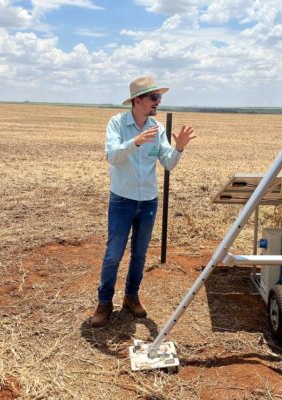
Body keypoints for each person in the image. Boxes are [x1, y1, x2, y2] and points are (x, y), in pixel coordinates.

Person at [91, 75, 196, 327]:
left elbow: (168, 162)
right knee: (113, 255)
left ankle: (131, 297)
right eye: (154, 97)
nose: (158, 101)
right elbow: (112, 156)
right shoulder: (117, 123)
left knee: (139, 254)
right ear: (138, 100)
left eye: (159, 97)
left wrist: (179, 148)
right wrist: (135, 142)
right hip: (122, 201)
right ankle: (104, 303)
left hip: (148, 201)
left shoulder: (157, 129)